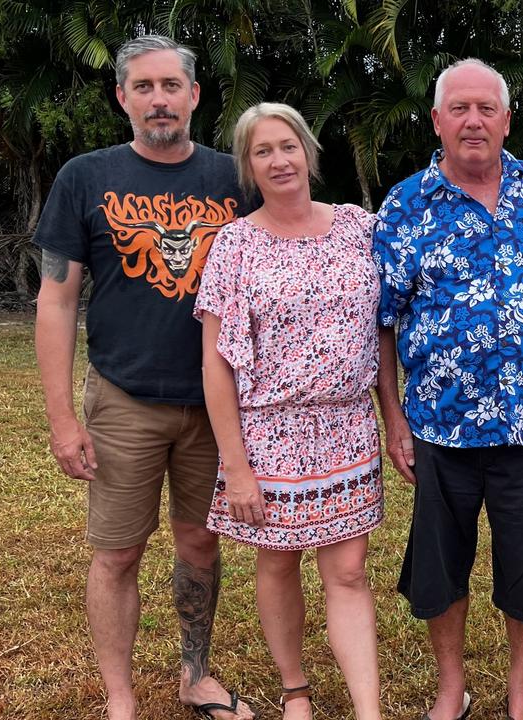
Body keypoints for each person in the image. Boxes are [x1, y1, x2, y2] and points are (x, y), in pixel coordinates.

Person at [33, 35, 254, 720]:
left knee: (198, 541)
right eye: (144, 86)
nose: (158, 99)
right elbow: (57, 299)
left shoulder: (234, 179)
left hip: (215, 403)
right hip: (124, 395)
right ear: (122, 97)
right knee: (119, 550)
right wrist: (62, 418)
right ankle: (120, 697)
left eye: (171, 86)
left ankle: (195, 673)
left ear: (193, 96)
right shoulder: (85, 177)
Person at [373, 58, 523, 720]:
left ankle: (522, 687)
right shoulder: (406, 206)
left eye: (486, 108)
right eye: (459, 108)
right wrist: (394, 421)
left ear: (506, 120)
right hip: (441, 424)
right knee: (441, 567)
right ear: (436, 120)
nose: (473, 120)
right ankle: (449, 686)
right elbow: (380, 322)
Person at [195, 102, 384, 720]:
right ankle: (296, 690)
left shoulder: (359, 226)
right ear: (248, 167)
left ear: (308, 151)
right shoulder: (235, 244)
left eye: (288, 146)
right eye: (262, 151)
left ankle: (368, 711)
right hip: (268, 433)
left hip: (347, 427)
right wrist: (237, 465)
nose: (279, 160)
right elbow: (216, 363)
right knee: (277, 563)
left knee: (349, 571)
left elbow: (382, 330)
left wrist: (394, 418)